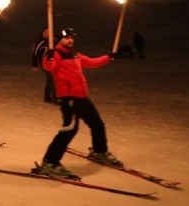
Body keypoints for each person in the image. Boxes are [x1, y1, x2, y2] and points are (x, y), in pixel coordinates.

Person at [34, 27, 122, 179]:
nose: (70, 40)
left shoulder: (74, 54)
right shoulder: (55, 53)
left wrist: (109, 57)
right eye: (67, 38)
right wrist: (48, 58)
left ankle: (99, 151)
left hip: (82, 97)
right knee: (70, 130)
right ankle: (50, 162)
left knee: (97, 124)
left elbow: (91, 62)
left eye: (72, 38)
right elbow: (49, 67)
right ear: (60, 40)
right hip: (68, 98)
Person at [31, 28, 56, 104]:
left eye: (50, 32)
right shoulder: (40, 42)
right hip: (44, 64)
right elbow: (34, 54)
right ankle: (55, 98)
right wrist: (34, 65)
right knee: (53, 79)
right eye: (46, 31)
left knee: (50, 80)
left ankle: (47, 98)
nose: (48, 33)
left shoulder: (53, 42)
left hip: (53, 63)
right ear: (43, 33)